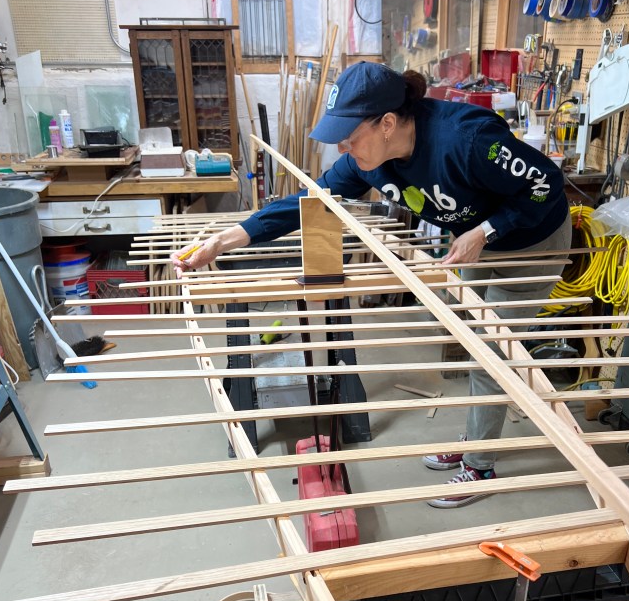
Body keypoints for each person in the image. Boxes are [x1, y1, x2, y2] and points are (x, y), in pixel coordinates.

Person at [171, 61, 571, 508]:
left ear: (387, 123)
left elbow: (546, 184)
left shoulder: (468, 139)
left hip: (531, 241)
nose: (343, 146)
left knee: (492, 353)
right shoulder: (367, 164)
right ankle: (481, 436)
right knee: (477, 344)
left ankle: (481, 464)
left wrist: (488, 230)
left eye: (350, 134)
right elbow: (309, 198)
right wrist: (226, 240)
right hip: (476, 239)